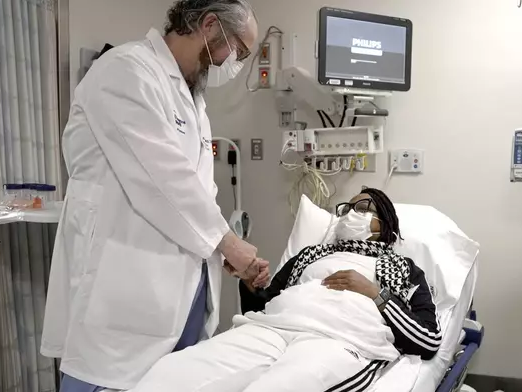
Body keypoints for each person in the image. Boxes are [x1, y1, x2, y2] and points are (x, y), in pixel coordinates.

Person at [40, 1, 269, 391]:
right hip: (123, 296)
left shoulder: (193, 100)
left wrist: (219, 249)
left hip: (181, 300)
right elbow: (161, 178)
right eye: (239, 51)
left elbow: (197, 195)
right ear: (209, 25)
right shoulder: (125, 71)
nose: (235, 64)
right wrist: (226, 242)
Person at [126, 188, 442, 392]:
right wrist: (251, 285)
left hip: (341, 339)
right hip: (273, 327)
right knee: (175, 373)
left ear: (385, 226)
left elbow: (428, 339)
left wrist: (376, 294)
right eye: (347, 208)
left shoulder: (403, 268)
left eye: (364, 208)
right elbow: (263, 305)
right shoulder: (309, 255)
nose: (351, 214)